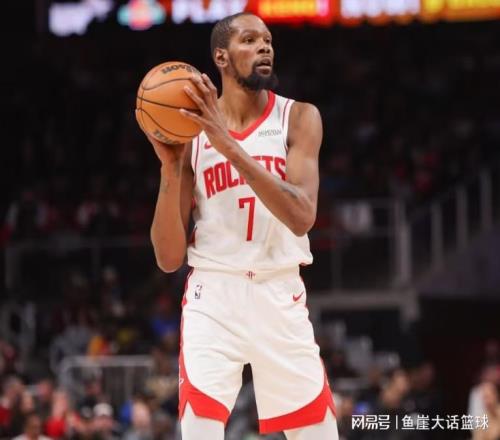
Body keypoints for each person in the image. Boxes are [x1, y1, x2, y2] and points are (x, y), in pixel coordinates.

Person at [137, 12, 339, 440]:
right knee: (199, 431)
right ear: (221, 58)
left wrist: (228, 147)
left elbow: (302, 217)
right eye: (249, 40)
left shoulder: (298, 117)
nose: (264, 46)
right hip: (214, 295)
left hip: (279, 291)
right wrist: (170, 168)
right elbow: (169, 259)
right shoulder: (190, 134)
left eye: (267, 40)